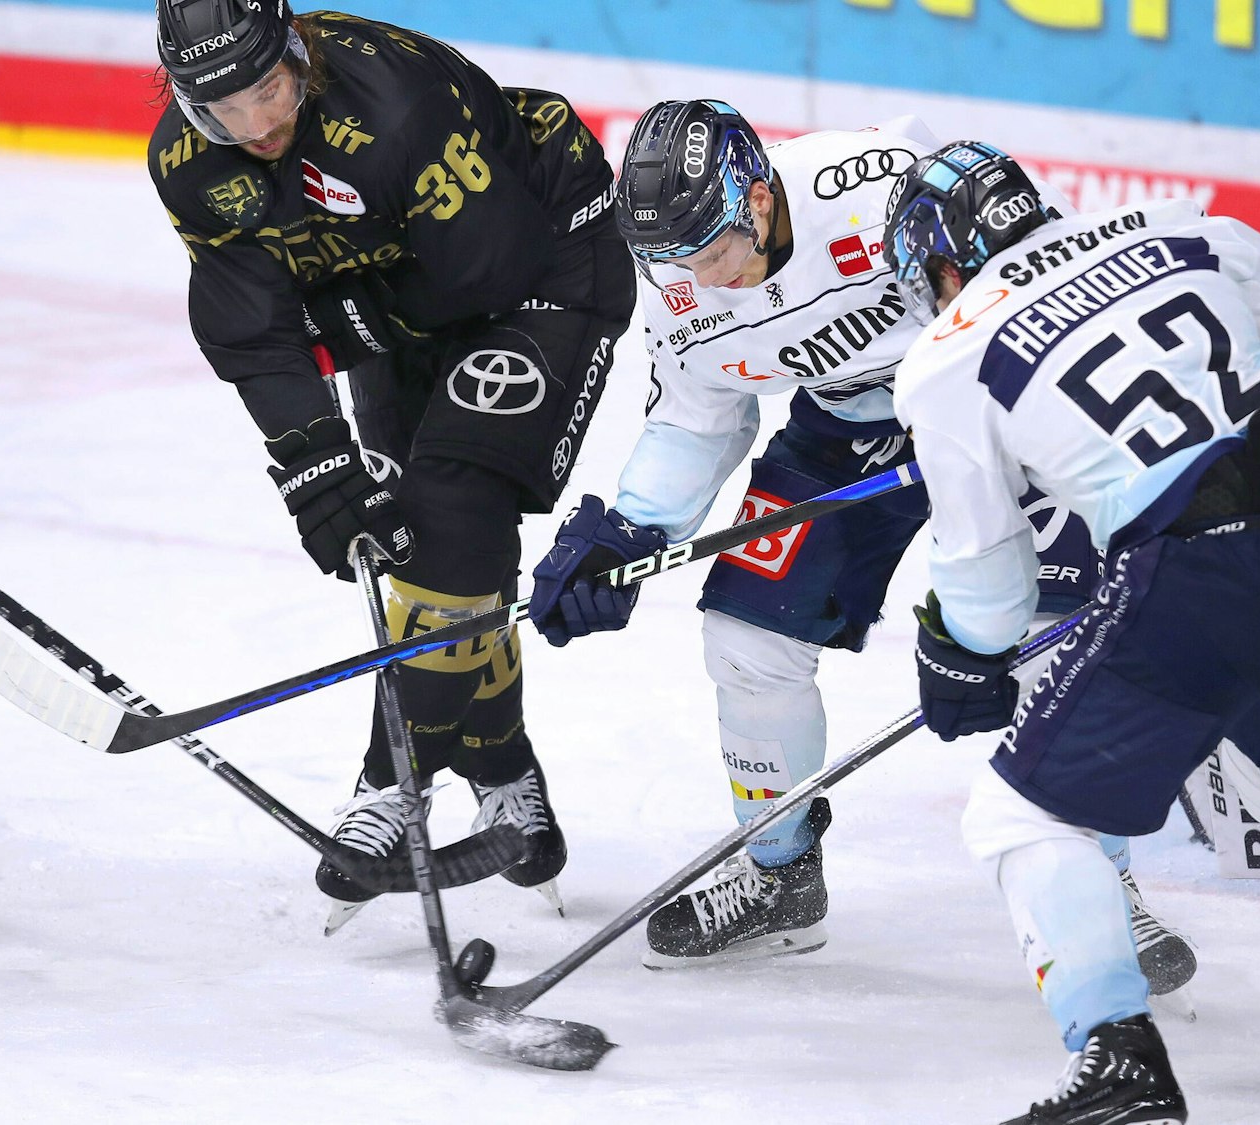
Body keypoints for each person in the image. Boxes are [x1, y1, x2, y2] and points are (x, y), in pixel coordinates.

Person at [525, 100, 1193, 992]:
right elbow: (698, 413)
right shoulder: (681, 278)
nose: (701, 279)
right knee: (746, 642)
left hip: (1000, 408)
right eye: (673, 260)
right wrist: (630, 531)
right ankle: (780, 871)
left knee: (1050, 643)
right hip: (846, 433)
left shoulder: (875, 186)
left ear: (758, 198)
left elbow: (1042, 269)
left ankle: (1100, 882)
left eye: (712, 250)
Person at [887, 140, 1260, 1120]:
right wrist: (1240, 450)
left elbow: (986, 585)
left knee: (1020, 817)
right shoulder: (1174, 222)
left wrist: (953, 650)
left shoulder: (942, 359)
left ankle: (1118, 1062)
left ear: (940, 261)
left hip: (1203, 579)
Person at [148, 0, 635, 929]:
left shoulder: (396, 105)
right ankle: (499, 761)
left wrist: (338, 323)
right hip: (387, 279)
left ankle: (393, 775)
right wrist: (313, 463)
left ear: (298, 55)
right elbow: (254, 330)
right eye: (223, 110)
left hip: (540, 260)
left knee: (452, 501)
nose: (258, 125)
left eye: (270, 89)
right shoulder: (184, 166)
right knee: (421, 534)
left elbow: (487, 271)